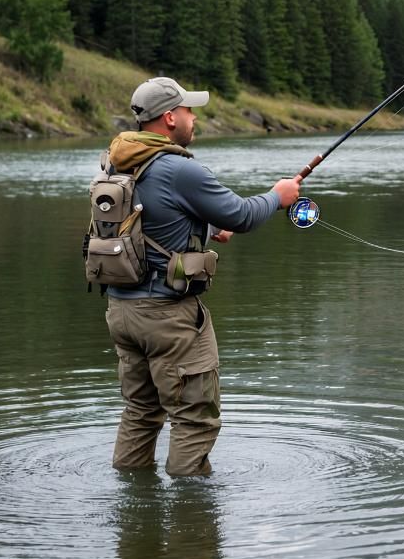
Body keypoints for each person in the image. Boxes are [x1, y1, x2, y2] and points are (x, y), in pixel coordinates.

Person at [102, 76, 301, 477]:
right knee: (195, 420)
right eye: (190, 111)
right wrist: (279, 196)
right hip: (169, 318)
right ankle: (191, 519)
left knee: (141, 412)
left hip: (122, 310)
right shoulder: (178, 169)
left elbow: (146, 221)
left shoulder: (116, 161)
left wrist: (207, 230)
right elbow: (244, 216)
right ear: (171, 118)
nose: (195, 118)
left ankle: (132, 506)